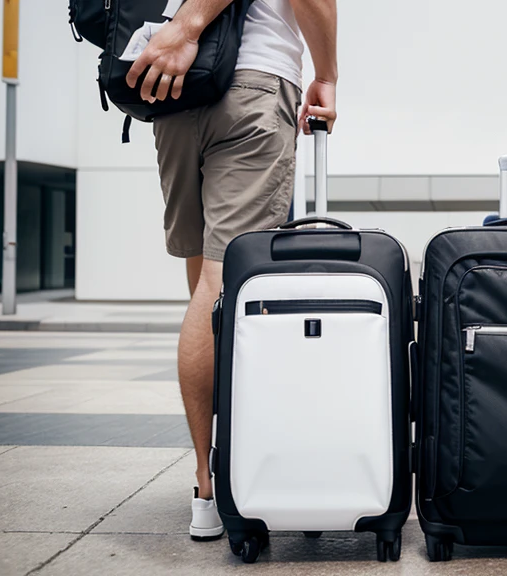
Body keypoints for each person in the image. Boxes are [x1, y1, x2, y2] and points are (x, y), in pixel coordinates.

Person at [125, 0, 338, 541]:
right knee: (223, 287)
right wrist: (327, 74)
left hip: (169, 85)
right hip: (251, 83)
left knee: (202, 283)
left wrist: (176, 33)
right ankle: (221, 481)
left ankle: (205, 483)